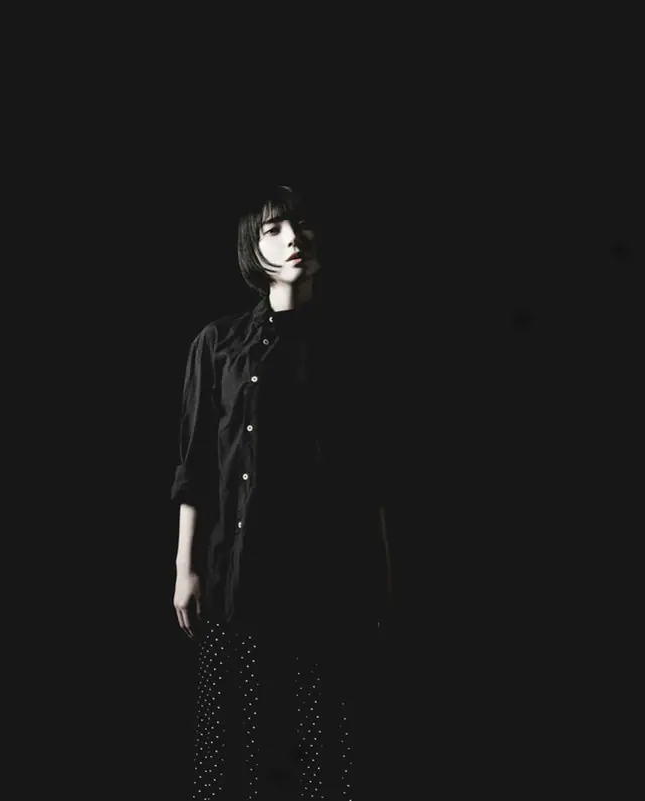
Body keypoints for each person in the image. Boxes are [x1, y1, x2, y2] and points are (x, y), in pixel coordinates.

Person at [171, 185, 394, 799]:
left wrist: (381, 574)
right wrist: (185, 568)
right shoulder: (217, 344)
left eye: (300, 224)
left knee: (327, 747)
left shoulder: (351, 347)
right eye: (273, 229)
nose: (293, 237)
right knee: (229, 746)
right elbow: (196, 465)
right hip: (235, 573)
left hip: (327, 577)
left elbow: (368, 475)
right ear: (253, 246)